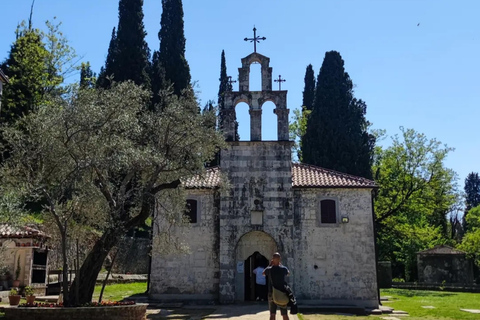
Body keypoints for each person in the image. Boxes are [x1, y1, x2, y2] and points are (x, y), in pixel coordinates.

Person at [263, 253, 290, 320]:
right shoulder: (283, 269)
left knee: (272, 313)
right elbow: (288, 273)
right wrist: (281, 265)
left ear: (272, 259)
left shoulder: (269, 269)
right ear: (279, 259)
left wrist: (270, 264)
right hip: (282, 293)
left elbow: (263, 273)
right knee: (284, 313)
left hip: (272, 292)